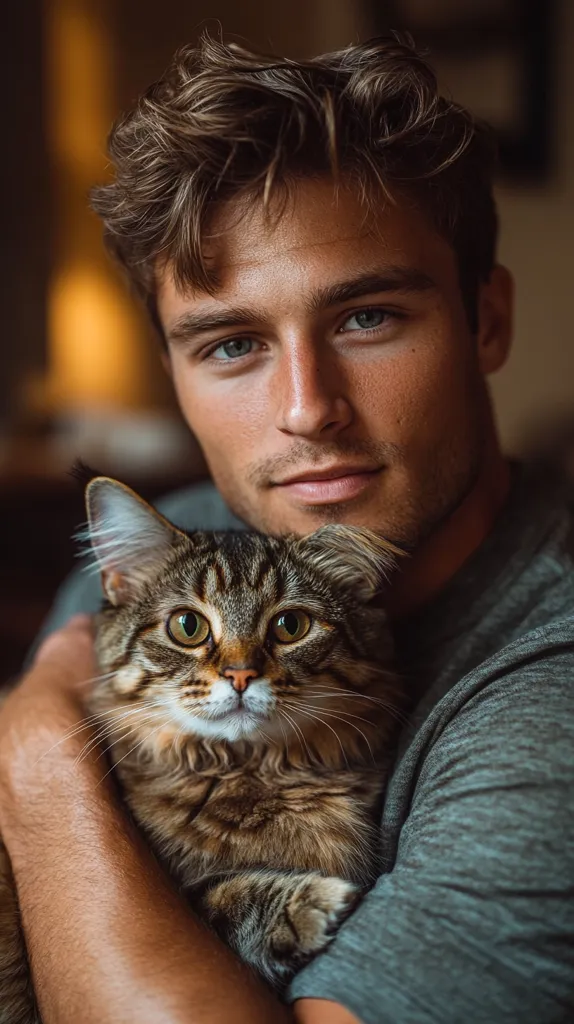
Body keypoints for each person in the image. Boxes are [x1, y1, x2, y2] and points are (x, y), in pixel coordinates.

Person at [1, 33, 573, 1024]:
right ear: (174, 373)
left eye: (366, 319)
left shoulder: (549, 685)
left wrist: (44, 774)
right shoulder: (176, 535)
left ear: (485, 321)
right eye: (230, 343)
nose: (308, 409)